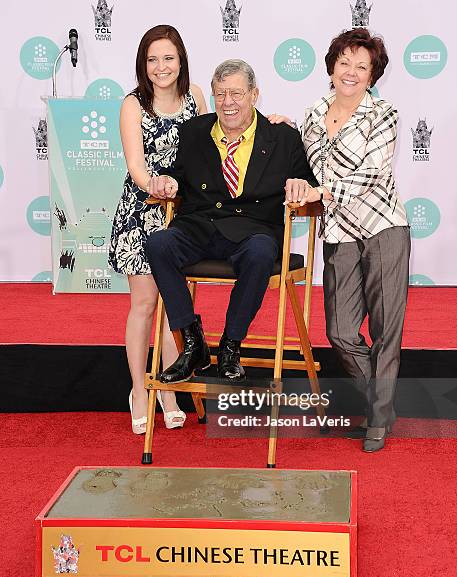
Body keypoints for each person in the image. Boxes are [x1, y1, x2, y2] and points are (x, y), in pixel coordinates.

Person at [145, 59, 317, 384]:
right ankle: (192, 340)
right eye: (220, 94)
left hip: (254, 231)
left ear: (254, 94)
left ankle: (230, 344)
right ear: (212, 95)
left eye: (236, 93)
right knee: (158, 244)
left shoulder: (282, 137)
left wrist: (303, 188)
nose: (228, 103)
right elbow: (179, 174)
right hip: (200, 225)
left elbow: (306, 181)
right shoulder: (194, 132)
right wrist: (168, 182)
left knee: (261, 253)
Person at [294, 28, 410, 452]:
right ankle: (384, 400)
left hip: (384, 227)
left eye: (362, 66)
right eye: (345, 62)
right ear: (331, 67)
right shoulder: (310, 115)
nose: (352, 72)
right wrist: (277, 127)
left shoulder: (385, 114)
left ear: (372, 76)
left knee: (385, 329)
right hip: (339, 232)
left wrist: (323, 191)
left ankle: (378, 416)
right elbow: (301, 163)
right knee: (341, 332)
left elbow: (372, 172)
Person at [108, 25, 207, 434]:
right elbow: (136, 166)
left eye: (168, 58)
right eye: (152, 59)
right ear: (143, 65)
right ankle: (138, 390)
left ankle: (168, 389)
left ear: (180, 60)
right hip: (142, 213)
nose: (161, 67)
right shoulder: (133, 104)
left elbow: (211, 148)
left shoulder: (197, 97)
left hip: (183, 218)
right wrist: (157, 185)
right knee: (146, 305)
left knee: (174, 311)